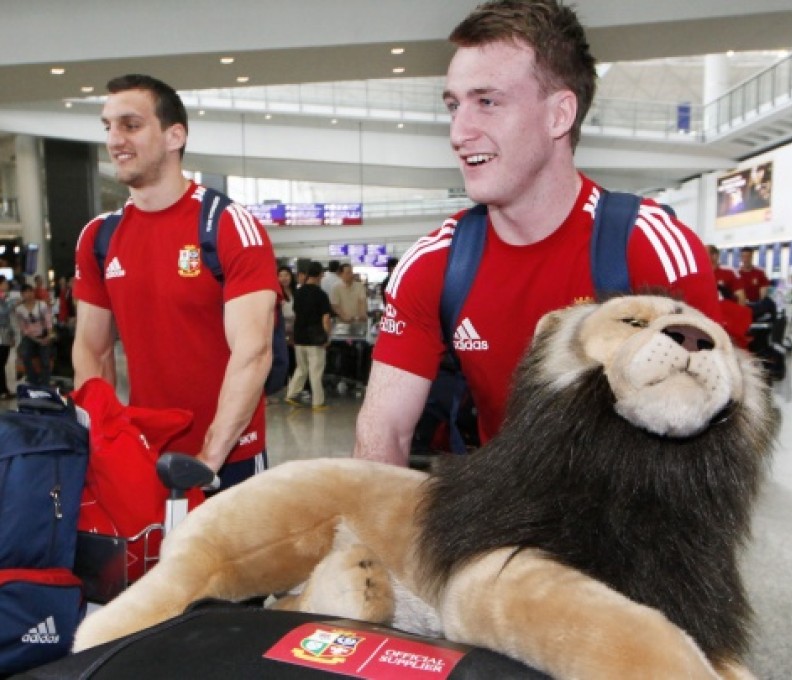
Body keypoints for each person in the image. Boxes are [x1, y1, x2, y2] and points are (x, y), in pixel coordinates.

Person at [353, 0, 720, 466]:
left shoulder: (650, 249)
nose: (459, 132)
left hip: (631, 519)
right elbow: (382, 431)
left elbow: (713, 430)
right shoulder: (434, 263)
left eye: (487, 102)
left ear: (559, 115)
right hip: (500, 507)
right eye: (453, 105)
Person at [73, 73, 279, 489]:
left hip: (229, 459)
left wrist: (210, 457)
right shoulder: (99, 237)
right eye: (108, 126)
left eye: (130, 125)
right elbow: (93, 351)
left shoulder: (228, 226)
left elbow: (253, 352)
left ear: (174, 136)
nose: (115, 140)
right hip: (146, 451)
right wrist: (103, 441)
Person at [284, 261, 333, 411]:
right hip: (315, 339)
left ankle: (291, 394)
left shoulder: (298, 293)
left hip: (299, 336)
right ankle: (318, 402)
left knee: (301, 368)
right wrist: (327, 336)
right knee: (316, 371)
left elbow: (296, 315)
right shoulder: (321, 295)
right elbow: (325, 319)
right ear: (319, 275)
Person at [15, 284, 55, 387]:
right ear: (22, 295)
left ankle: (45, 384)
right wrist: (35, 340)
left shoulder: (41, 305)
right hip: (30, 337)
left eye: (30, 292)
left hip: (43, 334)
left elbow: (48, 321)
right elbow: (23, 328)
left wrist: (49, 335)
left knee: (45, 360)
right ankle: (33, 380)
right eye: (25, 293)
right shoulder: (20, 310)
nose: (28, 295)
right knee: (24, 354)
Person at [278, 265, 297, 378]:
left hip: (296, 331)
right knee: (284, 360)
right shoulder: (276, 293)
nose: (284, 278)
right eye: (280, 275)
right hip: (282, 331)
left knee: (295, 363)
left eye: (286, 275)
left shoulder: (296, 292)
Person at [0, 277, 15, 398]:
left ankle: (4, 389)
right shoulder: (4, 300)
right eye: (4, 283)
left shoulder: (5, 298)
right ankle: (3, 390)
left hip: (5, 335)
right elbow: (3, 313)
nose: (6, 285)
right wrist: (11, 304)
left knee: (2, 362)